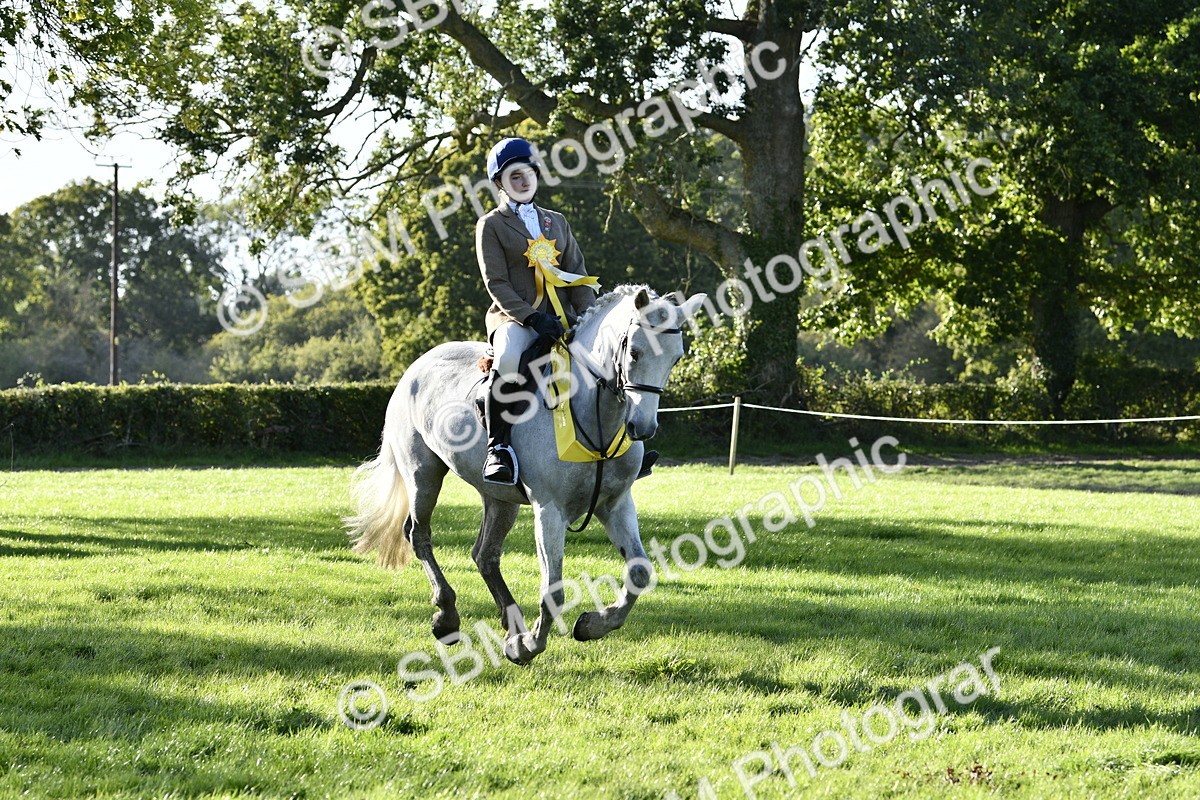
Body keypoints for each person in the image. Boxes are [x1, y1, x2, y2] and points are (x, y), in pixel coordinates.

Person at [476, 137, 599, 485]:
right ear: (500, 182)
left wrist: (587, 318)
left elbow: (578, 274)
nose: (524, 180)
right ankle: (497, 448)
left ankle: (618, 446)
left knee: (603, 356)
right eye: (515, 176)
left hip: (560, 317)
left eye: (528, 173)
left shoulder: (556, 221)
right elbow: (496, 282)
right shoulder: (492, 224)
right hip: (514, 317)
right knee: (509, 358)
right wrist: (531, 318)